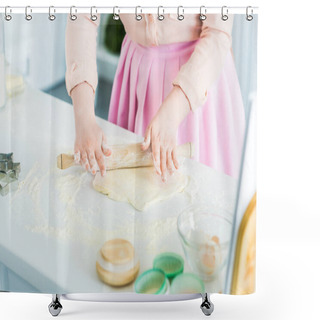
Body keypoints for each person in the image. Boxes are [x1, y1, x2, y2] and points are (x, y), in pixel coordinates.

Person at [65, 13, 245, 181]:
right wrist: (84, 117)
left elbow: (217, 35)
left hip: (198, 81)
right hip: (139, 75)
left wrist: (173, 112)